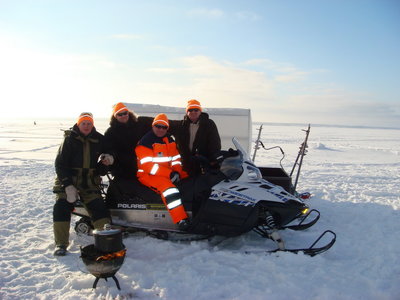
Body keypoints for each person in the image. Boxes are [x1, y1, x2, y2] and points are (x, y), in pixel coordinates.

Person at [52, 112, 113, 256]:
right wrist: (68, 186)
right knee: (61, 207)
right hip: (68, 180)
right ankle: (61, 244)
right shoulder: (69, 139)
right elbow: (59, 165)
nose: (86, 126)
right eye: (83, 123)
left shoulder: (98, 138)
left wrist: (108, 158)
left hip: (89, 182)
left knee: (99, 209)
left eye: (89, 123)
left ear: (93, 125)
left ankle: (106, 242)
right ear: (78, 124)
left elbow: (109, 150)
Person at [135, 113, 190, 230]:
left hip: (167, 173)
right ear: (153, 126)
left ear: (167, 129)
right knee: (170, 190)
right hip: (149, 175)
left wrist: (177, 172)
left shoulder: (169, 140)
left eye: (163, 127)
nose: (160, 129)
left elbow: (176, 159)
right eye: (158, 126)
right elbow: (148, 166)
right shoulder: (145, 142)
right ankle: (181, 220)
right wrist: (170, 174)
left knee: (191, 179)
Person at [170, 99, 222, 176]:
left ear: (200, 111)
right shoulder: (181, 125)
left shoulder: (209, 124)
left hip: (202, 164)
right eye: (190, 110)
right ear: (187, 112)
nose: (193, 112)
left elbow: (215, 143)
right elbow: (162, 124)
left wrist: (213, 160)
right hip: (185, 164)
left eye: (196, 110)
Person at [104, 102, 153, 180]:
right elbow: (109, 148)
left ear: (128, 113)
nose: (123, 116)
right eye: (120, 114)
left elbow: (160, 124)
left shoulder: (141, 123)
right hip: (123, 170)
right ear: (115, 116)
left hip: (145, 166)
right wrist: (110, 157)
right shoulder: (111, 132)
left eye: (125, 113)